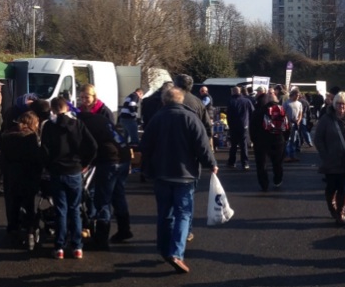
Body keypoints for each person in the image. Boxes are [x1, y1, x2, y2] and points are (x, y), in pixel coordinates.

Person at [140, 87, 218, 274]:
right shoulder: (191, 118)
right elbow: (202, 146)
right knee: (183, 213)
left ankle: (164, 248)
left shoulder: (156, 119)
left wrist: (146, 170)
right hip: (185, 174)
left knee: (165, 213)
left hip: (162, 173)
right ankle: (176, 252)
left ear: (164, 101)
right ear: (181, 101)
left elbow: (145, 147)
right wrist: (211, 164)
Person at [40, 97, 97, 259]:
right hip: (75, 171)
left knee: (61, 210)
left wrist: (48, 166)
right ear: (66, 107)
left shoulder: (49, 126)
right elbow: (93, 146)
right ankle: (77, 246)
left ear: (53, 109)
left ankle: (59, 247)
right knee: (75, 209)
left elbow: (44, 150)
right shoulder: (78, 124)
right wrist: (85, 163)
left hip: (57, 172)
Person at [78, 96, 131, 249]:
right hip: (123, 156)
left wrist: (85, 163)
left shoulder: (82, 124)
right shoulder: (101, 120)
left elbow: (89, 146)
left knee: (102, 199)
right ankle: (124, 229)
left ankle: (101, 238)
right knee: (118, 194)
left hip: (109, 160)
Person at [313, 91, 345, 226]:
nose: (342, 106)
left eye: (344, 104)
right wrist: (325, 155)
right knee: (331, 186)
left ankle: (341, 212)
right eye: (339, 104)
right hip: (331, 160)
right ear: (334, 104)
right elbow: (318, 139)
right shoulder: (326, 119)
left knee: (344, 187)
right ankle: (331, 205)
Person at [0, 110, 43, 248]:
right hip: (27, 175)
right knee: (29, 205)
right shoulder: (30, 137)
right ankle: (30, 231)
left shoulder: (6, 136)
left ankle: (13, 230)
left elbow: (1, 158)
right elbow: (37, 159)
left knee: (12, 204)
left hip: (11, 176)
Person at [250, 93, 287, 191]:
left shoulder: (258, 112)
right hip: (278, 140)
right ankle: (277, 180)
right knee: (278, 162)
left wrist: (254, 140)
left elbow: (252, 127)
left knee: (261, 164)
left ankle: (264, 183)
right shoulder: (281, 111)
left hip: (261, 141)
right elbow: (288, 126)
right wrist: (285, 138)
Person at [226, 85, 255, 169]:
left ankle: (232, 162)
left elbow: (228, 115)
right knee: (243, 144)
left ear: (233, 92)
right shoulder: (247, 101)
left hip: (234, 125)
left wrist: (230, 124)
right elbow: (252, 112)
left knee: (233, 145)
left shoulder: (231, 101)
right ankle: (245, 163)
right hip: (244, 125)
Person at [283, 89, 303, 163]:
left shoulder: (299, 103)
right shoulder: (286, 103)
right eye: (297, 95)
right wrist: (288, 121)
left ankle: (293, 155)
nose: (298, 97)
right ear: (293, 95)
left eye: (299, 95)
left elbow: (301, 113)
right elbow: (283, 113)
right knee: (288, 140)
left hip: (296, 124)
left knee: (294, 140)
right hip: (288, 124)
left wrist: (299, 120)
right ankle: (287, 156)